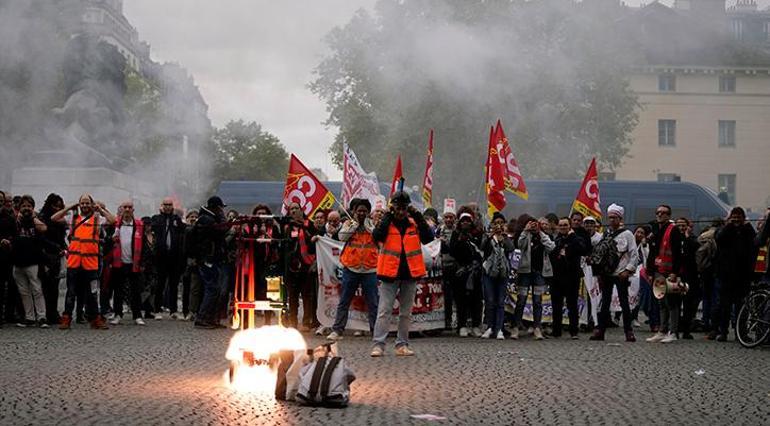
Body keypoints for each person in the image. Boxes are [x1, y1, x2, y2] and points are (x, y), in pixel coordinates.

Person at [370, 191, 433, 357]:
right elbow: (376, 237)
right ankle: (378, 344)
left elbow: (428, 238)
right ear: (392, 208)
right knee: (384, 310)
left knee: (405, 313)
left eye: (404, 208)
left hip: (410, 274)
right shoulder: (387, 223)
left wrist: (418, 215)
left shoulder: (414, 223)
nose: (400, 212)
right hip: (389, 274)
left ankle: (402, 344)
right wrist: (386, 217)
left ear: (408, 208)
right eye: (397, 208)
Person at [51, 193, 116, 330]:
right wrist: (69, 207)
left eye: (87, 203)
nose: (85, 206)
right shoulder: (73, 218)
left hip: (91, 263)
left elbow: (112, 220)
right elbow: (54, 218)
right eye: (82, 203)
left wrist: (101, 210)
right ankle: (66, 318)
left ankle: (95, 319)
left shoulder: (97, 220)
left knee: (93, 293)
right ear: (79, 205)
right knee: (71, 292)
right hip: (74, 263)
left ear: (91, 205)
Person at [327, 198, 379, 340]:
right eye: (358, 211)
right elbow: (342, 237)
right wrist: (354, 226)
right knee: (344, 300)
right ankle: (337, 330)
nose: (361, 213)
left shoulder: (374, 224)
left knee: (373, 302)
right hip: (351, 268)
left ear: (368, 212)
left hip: (370, 269)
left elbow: (378, 237)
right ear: (354, 212)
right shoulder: (348, 223)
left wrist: (369, 226)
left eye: (364, 211)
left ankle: (376, 331)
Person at [590, 204, 638, 342]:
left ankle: (629, 331)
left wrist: (627, 270)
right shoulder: (606, 234)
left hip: (621, 274)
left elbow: (633, 254)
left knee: (624, 303)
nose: (611, 220)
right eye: (610, 217)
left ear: (620, 218)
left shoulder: (628, 234)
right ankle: (601, 331)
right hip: (607, 274)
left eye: (614, 217)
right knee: (604, 303)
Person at [709, 207, 757, 341]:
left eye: (738, 217)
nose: (736, 219)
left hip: (743, 276)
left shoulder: (747, 231)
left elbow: (755, 244)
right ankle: (723, 332)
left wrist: (747, 226)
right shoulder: (724, 230)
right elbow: (719, 238)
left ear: (743, 218)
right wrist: (728, 225)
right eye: (733, 217)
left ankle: (741, 333)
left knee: (742, 308)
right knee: (725, 306)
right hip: (726, 275)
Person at [645, 204, 684, 344]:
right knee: (661, 302)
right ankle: (662, 330)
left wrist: (675, 272)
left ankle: (673, 332)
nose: (660, 215)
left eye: (663, 213)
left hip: (669, 273)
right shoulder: (656, 230)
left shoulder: (673, 231)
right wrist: (650, 272)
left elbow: (678, 253)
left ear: (669, 215)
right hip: (658, 271)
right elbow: (652, 253)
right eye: (658, 212)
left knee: (672, 303)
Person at [190, 196, 229, 329]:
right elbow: (222, 230)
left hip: (211, 258)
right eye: (220, 208)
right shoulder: (207, 220)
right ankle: (202, 318)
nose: (222, 210)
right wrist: (225, 220)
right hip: (208, 259)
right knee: (212, 289)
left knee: (215, 289)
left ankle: (211, 318)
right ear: (215, 207)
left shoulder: (207, 218)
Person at [106, 200, 147, 326]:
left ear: (133, 210)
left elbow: (144, 245)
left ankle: (137, 315)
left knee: (136, 291)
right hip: (119, 263)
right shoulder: (114, 226)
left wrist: (143, 263)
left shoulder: (139, 225)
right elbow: (107, 243)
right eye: (125, 207)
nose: (128, 210)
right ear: (121, 209)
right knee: (118, 290)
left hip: (134, 263)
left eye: (130, 207)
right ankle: (118, 314)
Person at [514, 215, 555, 340]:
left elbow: (551, 247)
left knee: (538, 301)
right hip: (525, 272)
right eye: (531, 224)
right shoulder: (526, 235)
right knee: (521, 300)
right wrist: (526, 231)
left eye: (536, 224)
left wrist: (540, 233)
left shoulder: (543, 236)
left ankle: (537, 327)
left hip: (539, 273)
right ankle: (516, 327)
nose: (534, 226)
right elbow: (519, 244)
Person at [11, 195, 48, 327]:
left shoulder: (36, 220)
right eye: (24, 206)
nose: (26, 208)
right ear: (19, 207)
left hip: (33, 261)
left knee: (37, 289)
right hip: (17, 262)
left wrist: (32, 216)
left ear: (33, 208)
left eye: (29, 206)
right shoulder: (15, 221)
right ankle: (29, 317)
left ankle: (42, 317)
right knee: (24, 292)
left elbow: (44, 228)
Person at [550, 217, 589, 339]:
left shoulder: (577, 239)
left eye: (565, 225)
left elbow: (583, 249)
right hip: (557, 277)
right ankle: (556, 330)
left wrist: (572, 238)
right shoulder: (556, 240)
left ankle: (574, 331)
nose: (562, 227)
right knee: (556, 305)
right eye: (560, 225)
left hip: (572, 277)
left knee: (572, 305)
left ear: (569, 226)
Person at [283, 202, 318, 330]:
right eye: (291, 209)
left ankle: (306, 322)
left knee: (307, 295)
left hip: (306, 265)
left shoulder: (309, 224)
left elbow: (315, 243)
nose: (293, 211)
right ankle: (293, 322)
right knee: (292, 296)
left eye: (296, 208)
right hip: (291, 267)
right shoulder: (287, 227)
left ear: (301, 210)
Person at [449, 209, 484, 337]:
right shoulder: (456, 234)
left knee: (476, 299)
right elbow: (452, 251)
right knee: (461, 299)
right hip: (461, 271)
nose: (465, 223)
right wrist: (460, 240)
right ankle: (462, 325)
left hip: (475, 271)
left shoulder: (477, 234)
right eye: (463, 221)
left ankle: (475, 325)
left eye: (468, 221)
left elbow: (481, 250)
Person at [480, 212, 514, 340]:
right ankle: (489, 327)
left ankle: (499, 328)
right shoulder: (488, 237)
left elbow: (511, 249)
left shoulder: (506, 238)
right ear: (492, 225)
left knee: (500, 301)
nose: (498, 226)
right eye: (496, 223)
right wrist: (490, 237)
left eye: (501, 223)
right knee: (490, 300)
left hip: (502, 273)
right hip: (489, 273)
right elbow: (482, 247)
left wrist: (504, 238)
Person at [150, 197, 186, 320]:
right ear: (161, 206)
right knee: (159, 284)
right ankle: (157, 309)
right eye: (165, 205)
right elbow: (151, 228)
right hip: (160, 256)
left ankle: (173, 310)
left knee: (173, 285)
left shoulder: (176, 219)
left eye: (169, 205)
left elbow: (184, 229)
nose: (167, 207)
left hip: (174, 257)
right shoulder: (156, 219)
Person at [38, 193, 67, 326]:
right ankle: (47, 314)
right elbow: (41, 238)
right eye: (55, 206)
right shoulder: (43, 218)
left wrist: (64, 248)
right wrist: (57, 247)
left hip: (57, 255)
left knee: (54, 287)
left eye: (59, 206)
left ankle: (53, 313)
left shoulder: (59, 220)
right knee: (46, 287)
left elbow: (61, 237)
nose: (57, 209)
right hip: (46, 255)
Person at [630, 225, 659, 332]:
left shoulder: (646, 245)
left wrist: (645, 245)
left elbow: (648, 258)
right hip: (630, 275)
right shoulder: (630, 243)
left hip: (643, 274)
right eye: (638, 232)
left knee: (646, 297)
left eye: (642, 233)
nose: (639, 235)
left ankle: (653, 321)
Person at [676, 217, 701, 340]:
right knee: (674, 303)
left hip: (689, 275)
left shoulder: (692, 239)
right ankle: (673, 329)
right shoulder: (673, 238)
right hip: (675, 275)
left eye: (683, 225)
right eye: (679, 225)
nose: (681, 228)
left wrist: (686, 238)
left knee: (688, 304)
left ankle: (686, 330)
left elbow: (694, 248)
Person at [0, 191, 18, 327]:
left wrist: (9, 241)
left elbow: (14, 235)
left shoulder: (9, 218)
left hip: (5, 257)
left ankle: (5, 315)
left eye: (2, 201)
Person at [437, 205, 457, 330]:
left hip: (455, 266)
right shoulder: (439, 230)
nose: (449, 220)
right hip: (443, 265)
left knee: (456, 295)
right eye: (446, 217)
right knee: (445, 295)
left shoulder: (457, 231)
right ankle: (446, 319)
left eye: (451, 217)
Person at [182, 209, 200, 321]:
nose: (193, 219)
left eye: (195, 216)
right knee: (186, 289)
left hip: (195, 263)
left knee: (195, 288)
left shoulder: (199, 231)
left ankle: (193, 310)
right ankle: (186, 311)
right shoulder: (183, 230)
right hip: (184, 262)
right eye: (191, 216)